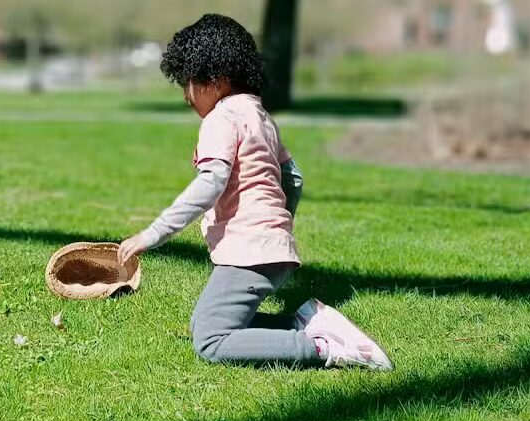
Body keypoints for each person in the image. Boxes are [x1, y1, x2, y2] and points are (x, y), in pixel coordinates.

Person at [118, 14, 392, 371]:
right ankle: (304, 321)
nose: (186, 94)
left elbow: (210, 182)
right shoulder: (259, 116)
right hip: (268, 248)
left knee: (211, 342)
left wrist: (152, 234)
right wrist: (278, 226)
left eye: (189, 81)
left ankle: (325, 348)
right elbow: (293, 178)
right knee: (207, 325)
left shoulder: (220, 118)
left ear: (216, 79)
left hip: (249, 252)